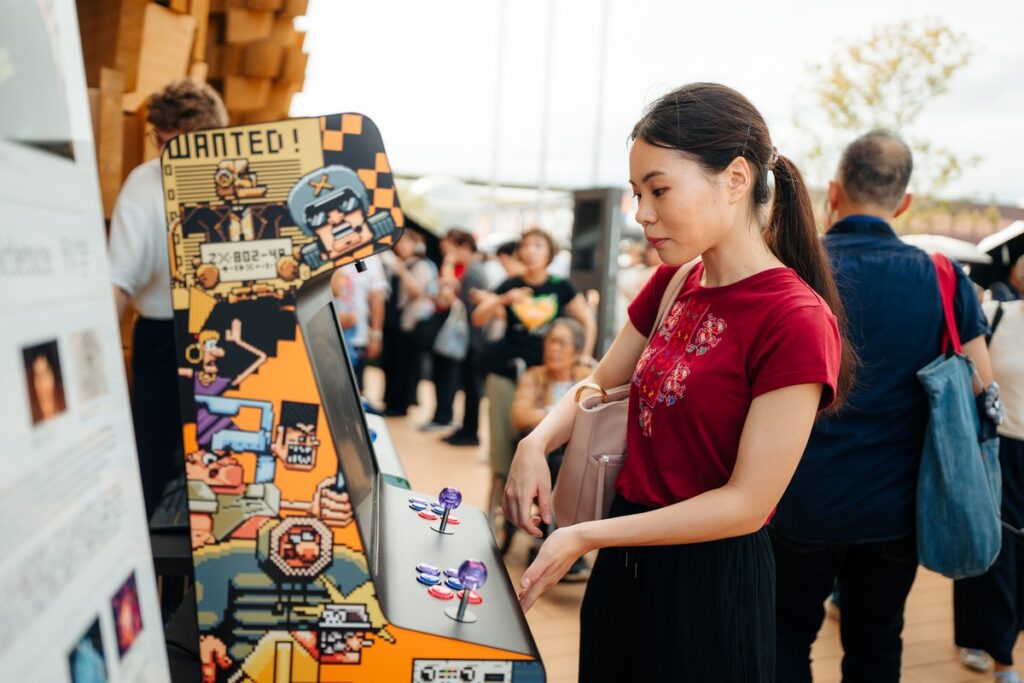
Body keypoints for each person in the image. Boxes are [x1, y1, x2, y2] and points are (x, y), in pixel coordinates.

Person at [504, 82, 852, 681]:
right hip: (621, 556)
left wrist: (586, 535)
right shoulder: (678, 280)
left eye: (659, 190)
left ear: (736, 179)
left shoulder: (794, 318)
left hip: (708, 585)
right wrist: (536, 441)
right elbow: (600, 380)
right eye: (639, 193)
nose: (642, 213)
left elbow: (747, 504)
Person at [770, 130, 992, 683]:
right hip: (894, 512)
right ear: (904, 202)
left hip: (793, 500)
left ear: (834, 192)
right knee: (875, 645)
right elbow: (979, 382)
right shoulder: (943, 278)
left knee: (781, 641)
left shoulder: (792, 267)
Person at [107, 79, 228, 517]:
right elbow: (117, 279)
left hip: (190, 338)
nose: (164, 155)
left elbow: (117, 281)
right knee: (177, 469)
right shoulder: (147, 181)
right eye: (159, 142)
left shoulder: (147, 180)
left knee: (180, 471)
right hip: (200, 338)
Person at [472, 228, 596, 482]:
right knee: (502, 438)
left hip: (544, 375)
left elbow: (587, 321)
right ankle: (502, 497)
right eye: (526, 245)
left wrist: (583, 354)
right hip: (506, 369)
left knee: (540, 436)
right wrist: (504, 300)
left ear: (549, 253)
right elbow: (478, 318)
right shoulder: (511, 284)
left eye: (538, 245)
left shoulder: (561, 286)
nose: (530, 251)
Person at [954, 295, 1024, 683]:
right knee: (997, 549)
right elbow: (973, 378)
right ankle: (1003, 658)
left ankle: (995, 637)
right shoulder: (996, 315)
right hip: (1000, 447)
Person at [511, 317, 592, 581]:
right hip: (547, 453)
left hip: (580, 454)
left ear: (577, 352)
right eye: (549, 341)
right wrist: (558, 416)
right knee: (559, 466)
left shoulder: (587, 377)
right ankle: (561, 544)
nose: (552, 348)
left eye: (561, 342)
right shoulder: (535, 375)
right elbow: (521, 415)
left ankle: (571, 542)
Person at [421, 229, 483, 432]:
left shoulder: (471, 270)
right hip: (451, 326)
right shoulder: (465, 268)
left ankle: (444, 417)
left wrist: (447, 263)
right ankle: (443, 416)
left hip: (464, 332)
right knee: (443, 374)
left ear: (463, 246)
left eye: (449, 248)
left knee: (450, 376)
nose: (446, 252)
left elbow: (447, 294)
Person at [441, 230, 491, 446]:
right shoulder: (473, 270)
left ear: (464, 248)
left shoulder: (475, 272)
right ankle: (466, 428)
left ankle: (470, 431)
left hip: (475, 340)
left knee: (472, 388)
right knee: (468, 387)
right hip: (472, 338)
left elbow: (471, 307)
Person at [381, 230, 438, 416]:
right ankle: (390, 401)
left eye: (406, 243)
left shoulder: (422, 265)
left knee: (404, 367)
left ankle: (401, 405)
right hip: (392, 322)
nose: (402, 247)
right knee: (391, 364)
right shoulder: (394, 263)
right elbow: (368, 275)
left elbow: (416, 292)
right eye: (400, 243)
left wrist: (403, 272)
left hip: (409, 324)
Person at [329, 255, 387, 391]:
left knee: (354, 387)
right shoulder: (327, 254)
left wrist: (376, 334)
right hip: (326, 337)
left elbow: (376, 298)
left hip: (356, 337)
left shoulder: (370, 259)